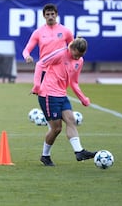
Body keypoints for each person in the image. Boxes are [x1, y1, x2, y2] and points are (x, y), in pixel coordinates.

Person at [31, 37, 97, 166]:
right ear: (71, 48)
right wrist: (37, 86)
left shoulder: (80, 61)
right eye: (76, 55)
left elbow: (74, 82)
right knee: (57, 129)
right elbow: (40, 64)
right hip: (48, 95)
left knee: (71, 120)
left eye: (80, 56)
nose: (77, 58)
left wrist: (83, 98)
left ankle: (79, 151)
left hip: (61, 95)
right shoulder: (60, 54)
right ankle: (45, 156)